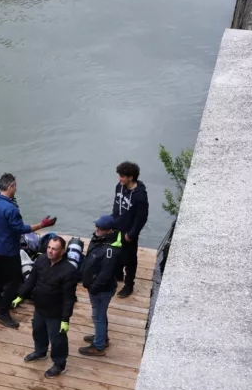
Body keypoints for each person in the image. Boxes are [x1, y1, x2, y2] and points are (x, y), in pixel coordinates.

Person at [0, 173, 56, 329]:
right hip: (10, 249)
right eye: (15, 186)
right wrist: (42, 225)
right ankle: (2, 313)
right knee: (14, 281)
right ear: (10, 186)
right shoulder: (11, 209)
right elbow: (21, 229)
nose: (16, 189)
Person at [12, 236, 77, 378]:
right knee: (38, 331)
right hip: (40, 307)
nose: (50, 251)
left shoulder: (69, 270)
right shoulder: (41, 260)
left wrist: (65, 319)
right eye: (49, 247)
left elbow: (69, 298)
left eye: (54, 249)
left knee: (58, 340)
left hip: (56, 312)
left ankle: (59, 364)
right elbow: (31, 280)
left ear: (62, 251)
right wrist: (20, 295)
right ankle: (40, 352)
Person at [78, 215, 122, 356]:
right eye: (97, 226)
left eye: (101, 228)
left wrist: (93, 288)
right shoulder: (99, 239)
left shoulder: (110, 251)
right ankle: (102, 338)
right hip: (97, 287)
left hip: (101, 290)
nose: (97, 229)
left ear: (109, 230)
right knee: (100, 315)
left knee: (98, 316)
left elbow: (105, 275)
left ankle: (98, 346)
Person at [111, 161, 149, 298]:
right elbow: (116, 206)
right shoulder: (119, 186)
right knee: (115, 253)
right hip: (116, 228)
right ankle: (118, 275)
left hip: (129, 233)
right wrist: (111, 222)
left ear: (130, 177)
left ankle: (129, 285)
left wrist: (131, 234)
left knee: (130, 259)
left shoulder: (140, 196)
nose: (119, 179)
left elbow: (142, 218)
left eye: (122, 176)